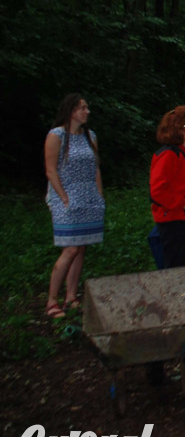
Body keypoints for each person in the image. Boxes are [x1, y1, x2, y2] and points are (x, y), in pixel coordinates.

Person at [43, 94, 105, 318]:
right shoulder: (56, 135)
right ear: (71, 111)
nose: (87, 111)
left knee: (81, 247)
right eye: (83, 108)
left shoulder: (91, 136)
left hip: (88, 196)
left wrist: (99, 196)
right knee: (70, 248)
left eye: (87, 107)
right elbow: (50, 170)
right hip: (65, 196)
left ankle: (71, 296)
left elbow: (95, 168)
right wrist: (64, 198)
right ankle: (52, 300)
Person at [150, 106, 185, 270]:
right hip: (174, 219)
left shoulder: (182, 154)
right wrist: (182, 203)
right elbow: (157, 191)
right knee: (177, 267)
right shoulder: (168, 155)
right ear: (179, 129)